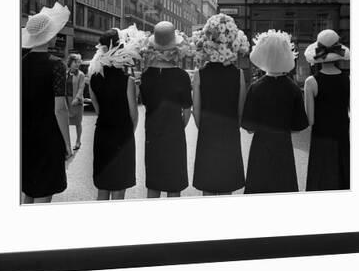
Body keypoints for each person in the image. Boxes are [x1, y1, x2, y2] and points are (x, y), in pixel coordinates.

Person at [241, 30, 309, 194]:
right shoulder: (293, 88)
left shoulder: (256, 88)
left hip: (260, 146)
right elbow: (299, 125)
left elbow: (249, 127)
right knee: (283, 187)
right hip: (283, 145)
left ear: (262, 55)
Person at [191, 14, 250, 195]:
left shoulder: (200, 74)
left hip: (208, 131)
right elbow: (241, 108)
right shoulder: (238, 74)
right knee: (226, 185)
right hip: (229, 131)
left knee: (208, 186)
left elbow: (196, 110)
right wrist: (234, 124)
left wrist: (205, 126)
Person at [21, 3, 73, 204]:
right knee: (44, 192)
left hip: (24, 134)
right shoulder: (56, 64)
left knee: (29, 189)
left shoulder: (20, 63)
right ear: (50, 35)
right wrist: (67, 143)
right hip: (48, 135)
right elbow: (60, 108)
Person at [88, 25, 146, 200]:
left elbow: (98, 110)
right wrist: (127, 133)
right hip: (122, 137)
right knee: (119, 189)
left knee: (103, 187)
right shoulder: (127, 81)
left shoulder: (93, 78)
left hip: (102, 135)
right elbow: (133, 115)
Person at [140, 21, 193, 198]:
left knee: (153, 184)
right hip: (175, 135)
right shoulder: (182, 76)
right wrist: (177, 125)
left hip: (153, 134)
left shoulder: (146, 76)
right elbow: (187, 111)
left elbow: (146, 103)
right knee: (174, 184)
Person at [303, 30, 350, 191]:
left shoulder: (311, 82)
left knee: (321, 179)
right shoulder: (348, 79)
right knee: (343, 176)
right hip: (342, 134)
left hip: (321, 136)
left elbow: (310, 120)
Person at [66, 53, 85, 151]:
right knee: (66, 123)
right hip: (66, 102)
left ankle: (78, 141)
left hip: (76, 102)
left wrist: (77, 98)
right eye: (75, 62)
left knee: (78, 123)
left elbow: (81, 88)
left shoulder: (81, 74)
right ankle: (67, 143)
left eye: (78, 62)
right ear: (70, 62)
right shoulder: (66, 73)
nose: (77, 64)